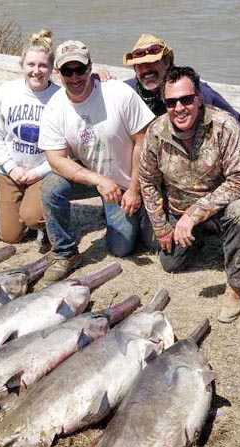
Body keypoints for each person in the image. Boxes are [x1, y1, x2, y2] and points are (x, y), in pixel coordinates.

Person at [139, 66, 240, 323]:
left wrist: (193, 216)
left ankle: (236, 287)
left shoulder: (225, 126)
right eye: (172, 102)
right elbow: (148, 181)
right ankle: (205, 238)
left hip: (220, 207)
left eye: (186, 99)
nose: (180, 108)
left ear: (198, 98)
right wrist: (162, 228)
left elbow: (239, 180)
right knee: (170, 264)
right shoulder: (156, 132)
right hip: (178, 210)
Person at [37, 40, 155, 282]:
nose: (75, 77)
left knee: (122, 248)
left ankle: (134, 211)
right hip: (94, 177)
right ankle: (64, 253)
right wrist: (99, 180)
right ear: (58, 73)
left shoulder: (118, 93)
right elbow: (56, 161)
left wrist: (134, 189)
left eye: (79, 69)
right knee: (50, 187)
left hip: (127, 180)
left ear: (90, 67)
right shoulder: (54, 109)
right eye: (67, 71)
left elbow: (143, 142)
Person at [122, 34, 240, 226]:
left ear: (167, 62)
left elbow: (234, 120)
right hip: (163, 172)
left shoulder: (195, 91)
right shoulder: (129, 90)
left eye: (152, 63)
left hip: (202, 167)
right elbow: (100, 91)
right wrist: (97, 77)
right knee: (154, 243)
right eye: (140, 65)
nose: (146, 70)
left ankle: (237, 232)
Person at [0, 29, 60, 252]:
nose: (37, 71)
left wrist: (37, 172)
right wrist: (11, 167)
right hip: (11, 172)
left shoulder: (59, 97)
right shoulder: (6, 93)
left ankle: (45, 223)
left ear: (52, 68)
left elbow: (66, 147)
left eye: (43, 66)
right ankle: (25, 207)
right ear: (22, 66)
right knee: (9, 237)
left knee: (33, 218)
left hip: (43, 172)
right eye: (31, 65)